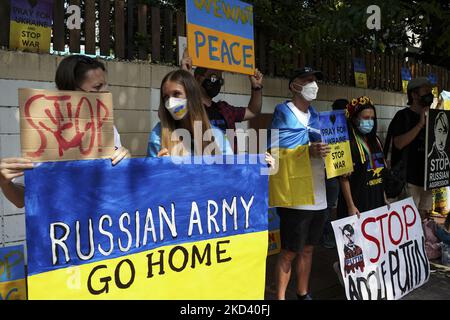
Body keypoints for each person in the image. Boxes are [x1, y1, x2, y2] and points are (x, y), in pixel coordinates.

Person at [0, 55, 130, 208]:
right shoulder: (39, 131)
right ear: (71, 91)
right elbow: (21, 200)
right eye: (97, 87)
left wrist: (125, 162)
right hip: (57, 227)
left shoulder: (107, 129)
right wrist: (5, 183)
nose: (106, 92)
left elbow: (117, 184)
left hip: (98, 224)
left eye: (106, 85)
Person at [271, 67, 331, 300]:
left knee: (308, 249)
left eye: (315, 80)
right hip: (294, 196)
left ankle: (303, 293)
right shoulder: (282, 113)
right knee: (289, 251)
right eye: (307, 80)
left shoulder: (318, 118)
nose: (312, 84)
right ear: (293, 85)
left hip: (318, 194)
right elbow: (274, 150)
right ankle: (280, 297)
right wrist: (306, 151)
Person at [181, 51, 264, 150]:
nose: (217, 83)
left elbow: (252, 111)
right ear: (198, 79)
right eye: (213, 78)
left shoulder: (225, 109)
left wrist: (257, 87)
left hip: (227, 163)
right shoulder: (189, 108)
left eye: (220, 80)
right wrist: (185, 76)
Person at [147, 69, 233, 157]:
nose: (170, 102)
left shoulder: (216, 136)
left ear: (192, 96)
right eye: (166, 97)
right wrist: (160, 167)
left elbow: (230, 169)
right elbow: (150, 170)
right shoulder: (158, 136)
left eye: (176, 94)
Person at [387, 77, 435, 218]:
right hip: (408, 179)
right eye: (426, 91)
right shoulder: (402, 116)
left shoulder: (433, 117)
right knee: (408, 219)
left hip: (427, 179)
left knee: (423, 218)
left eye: (430, 91)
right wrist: (420, 124)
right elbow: (398, 143)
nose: (429, 95)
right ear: (414, 95)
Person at [337, 96, 389, 219]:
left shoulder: (376, 141)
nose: (370, 121)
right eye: (366, 118)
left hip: (376, 199)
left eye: (372, 118)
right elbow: (343, 178)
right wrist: (350, 205)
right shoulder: (346, 143)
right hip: (357, 203)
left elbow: (380, 172)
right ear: (354, 119)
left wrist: (384, 197)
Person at [322, 98, 349, 249]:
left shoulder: (327, 125)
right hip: (332, 171)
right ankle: (327, 236)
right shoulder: (334, 126)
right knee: (330, 205)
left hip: (334, 171)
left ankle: (329, 236)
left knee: (330, 205)